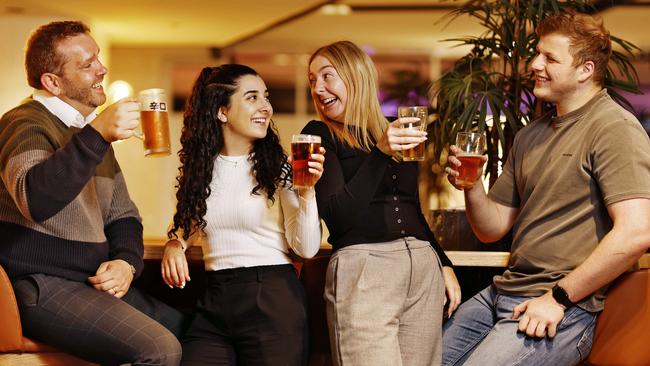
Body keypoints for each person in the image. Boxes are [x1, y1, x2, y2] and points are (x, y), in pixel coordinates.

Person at [443, 11, 650, 366]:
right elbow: (490, 228)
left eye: (550, 58)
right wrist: (472, 185)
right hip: (502, 293)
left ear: (585, 70)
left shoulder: (614, 128)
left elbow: (637, 232)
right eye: (537, 53)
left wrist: (558, 299)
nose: (534, 63)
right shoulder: (530, 135)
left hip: (564, 306)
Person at [0, 21, 183, 365]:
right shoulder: (24, 124)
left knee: (194, 331)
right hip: (40, 284)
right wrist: (98, 134)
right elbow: (34, 198)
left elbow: (124, 216)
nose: (102, 69)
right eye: (87, 64)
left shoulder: (87, 135)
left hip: (88, 283)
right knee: (160, 350)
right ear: (52, 82)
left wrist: (126, 263)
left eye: (97, 57)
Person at [301, 40, 461, 366]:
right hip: (365, 267)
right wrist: (380, 153)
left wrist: (442, 262)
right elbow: (338, 217)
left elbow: (411, 206)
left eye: (327, 76)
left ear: (356, 76)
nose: (318, 88)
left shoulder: (394, 128)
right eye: (312, 80)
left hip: (421, 265)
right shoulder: (319, 133)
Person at [161, 64, 325, 366]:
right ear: (222, 112)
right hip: (215, 299)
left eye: (266, 96)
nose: (266, 107)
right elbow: (188, 221)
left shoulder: (279, 168)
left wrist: (307, 192)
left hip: (271, 297)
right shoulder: (202, 170)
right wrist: (175, 243)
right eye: (252, 98)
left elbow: (307, 248)